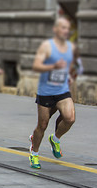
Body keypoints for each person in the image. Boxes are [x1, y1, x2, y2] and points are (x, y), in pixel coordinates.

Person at [29, 17, 76, 169]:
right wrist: (53, 66)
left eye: (67, 28)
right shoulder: (47, 46)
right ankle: (34, 153)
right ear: (55, 30)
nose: (65, 31)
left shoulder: (70, 47)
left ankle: (55, 139)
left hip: (62, 90)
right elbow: (36, 66)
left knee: (70, 118)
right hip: (46, 92)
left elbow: (69, 66)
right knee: (42, 125)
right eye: (62, 28)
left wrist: (69, 76)